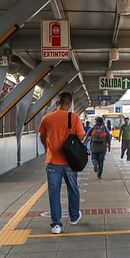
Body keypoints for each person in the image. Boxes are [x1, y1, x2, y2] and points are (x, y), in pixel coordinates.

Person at [38, 91, 85, 234]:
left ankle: (56, 225)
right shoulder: (74, 117)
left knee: (54, 193)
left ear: (57, 103)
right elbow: (81, 137)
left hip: (52, 162)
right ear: (69, 105)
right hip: (70, 162)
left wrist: (48, 148)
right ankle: (74, 217)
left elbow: (42, 136)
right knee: (73, 189)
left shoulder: (47, 118)